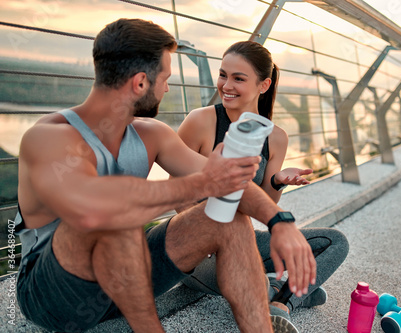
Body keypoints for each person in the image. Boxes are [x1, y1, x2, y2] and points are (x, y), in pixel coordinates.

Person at [14, 19, 318, 333]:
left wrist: (279, 221)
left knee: (227, 218)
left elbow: (225, 180)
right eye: (165, 78)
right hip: (52, 297)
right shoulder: (50, 138)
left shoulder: (151, 134)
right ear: (141, 83)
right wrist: (202, 183)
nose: (167, 88)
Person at [177, 40, 349, 332]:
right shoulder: (201, 121)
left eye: (238, 78)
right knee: (252, 277)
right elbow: (178, 195)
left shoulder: (275, 138)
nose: (226, 85)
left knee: (335, 242)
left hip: (243, 242)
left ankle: (281, 304)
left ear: (264, 84)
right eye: (223, 75)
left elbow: (264, 210)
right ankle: (292, 293)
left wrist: (277, 182)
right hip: (199, 253)